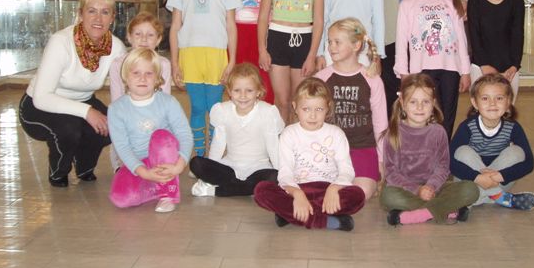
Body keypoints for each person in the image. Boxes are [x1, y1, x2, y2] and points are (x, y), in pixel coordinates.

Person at [18, 0, 126, 187]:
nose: (98, 19)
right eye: (91, 11)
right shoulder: (61, 42)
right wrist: (87, 112)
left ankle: (84, 167)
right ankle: (58, 172)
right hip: (38, 107)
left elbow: (125, 89)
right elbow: (42, 97)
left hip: (82, 101)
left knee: (114, 125)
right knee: (69, 128)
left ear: (112, 17)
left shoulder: (116, 48)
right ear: (80, 13)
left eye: (105, 12)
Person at [254, 77, 365, 231]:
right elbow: (285, 172)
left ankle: (291, 215)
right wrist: (297, 195)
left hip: (327, 191)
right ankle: (328, 221)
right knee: (261, 190)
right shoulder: (289, 134)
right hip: (297, 189)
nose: (312, 116)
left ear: (327, 108)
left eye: (319, 109)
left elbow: (347, 170)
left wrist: (334, 188)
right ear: (295, 107)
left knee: (358, 195)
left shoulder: (336, 133)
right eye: (306, 109)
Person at [167, 0, 241, 157]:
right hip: (190, 56)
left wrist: (232, 61)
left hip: (217, 56)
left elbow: (231, 27)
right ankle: (200, 157)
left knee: (215, 108)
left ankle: (214, 158)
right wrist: (175, 62)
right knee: (198, 107)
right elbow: (175, 27)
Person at [381, 73, 478, 225]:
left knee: (471, 189)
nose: (419, 107)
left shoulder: (438, 132)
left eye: (425, 102)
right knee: (388, 196)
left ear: (433, 103)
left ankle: (419, 214)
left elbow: (443, 167)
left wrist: (430, 187)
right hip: (405, 189)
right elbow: (391, 173)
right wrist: (417, 190)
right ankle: (445, 210)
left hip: (435, 188)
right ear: (402, 103)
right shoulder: (393, 134)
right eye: (413, 102)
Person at [394, 0, 470, 138]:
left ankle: (443, 151)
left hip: (450, 70)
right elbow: (401, 41)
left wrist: (465, 71)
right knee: (423, 116)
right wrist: (403, 72)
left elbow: (461, 39)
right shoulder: (407, 4)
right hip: (420, 71)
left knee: (446, 117)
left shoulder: (451, 4)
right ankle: (424, 150)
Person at [108, 48, 193, 213]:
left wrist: (179, 165)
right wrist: (144, 172)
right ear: (126, 77)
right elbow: (122, 147)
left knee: (162, 137)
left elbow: (185, 135)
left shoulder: (168, 102)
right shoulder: (116, 109)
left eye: (149, 73)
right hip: (139, 164)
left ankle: (167, 194)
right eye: (136, 73)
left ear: (157, 78)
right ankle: (154, 187)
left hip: (164, 158)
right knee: (120, 199)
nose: (142, 78)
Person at [257, 0, 325, 123]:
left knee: (300, 101)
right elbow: (263, 17)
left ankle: (297, 140)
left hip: (304, 41)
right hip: (277, 39)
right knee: (282, 101)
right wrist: (262, 49)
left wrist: (312, 55)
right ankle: (282, 140)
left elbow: (319, 20)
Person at [315, 18, 387, 200]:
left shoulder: (372, 79)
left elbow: (380, 124)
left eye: (337, 42)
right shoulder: (321, 78)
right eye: (329, 42)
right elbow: (312, 119)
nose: (331, 47)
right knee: (320, 189)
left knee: (362, 193)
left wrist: (381, 159)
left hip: (362, 147)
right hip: (329, 149)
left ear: (356, 45)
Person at [189, 63, 285, 197]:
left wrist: (282, 175)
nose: (243, 96)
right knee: (196, 163)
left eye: (249, 90)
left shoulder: (267, 112)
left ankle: (216, 191)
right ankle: (245, 188)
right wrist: (210, 169)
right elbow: (218, 144)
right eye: (237, 90)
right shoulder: (223, 110)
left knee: (274, 177)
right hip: (231, 165)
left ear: (258, 91)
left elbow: (273, 146)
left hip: (258, 167)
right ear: (229, 91)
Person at [450, 74, 534, 212]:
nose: (492, 103)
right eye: (485, 98)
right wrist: (477, 177)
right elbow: (449, 161)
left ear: (508, 102)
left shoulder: (513, 127)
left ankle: (468, 200)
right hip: (470, 180)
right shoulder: (467, 127)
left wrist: (500, 175)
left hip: (498, 180)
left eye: (499, 98)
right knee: (462, 152)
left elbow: (529, 163)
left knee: (517, 152)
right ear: (475, 103)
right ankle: (499, 197)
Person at [108, 11, 172, 171]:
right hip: (127, 121)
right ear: (129, 37)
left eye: (150, 35)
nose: (144, 39)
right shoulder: (117, 64)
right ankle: (122, 163)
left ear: (158, 39)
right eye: (138, 34)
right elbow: (116, 102)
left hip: (154, 121)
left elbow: (165, 103)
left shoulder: (163, 64)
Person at [468, 0, 525, 101]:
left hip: (509, 70)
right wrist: (484, 66)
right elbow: (474, 36)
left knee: (507, 109)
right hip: (480, 67)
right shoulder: (475, 1)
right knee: (483, 109)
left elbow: (518, 35)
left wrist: (514, 65)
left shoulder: (516, 0)